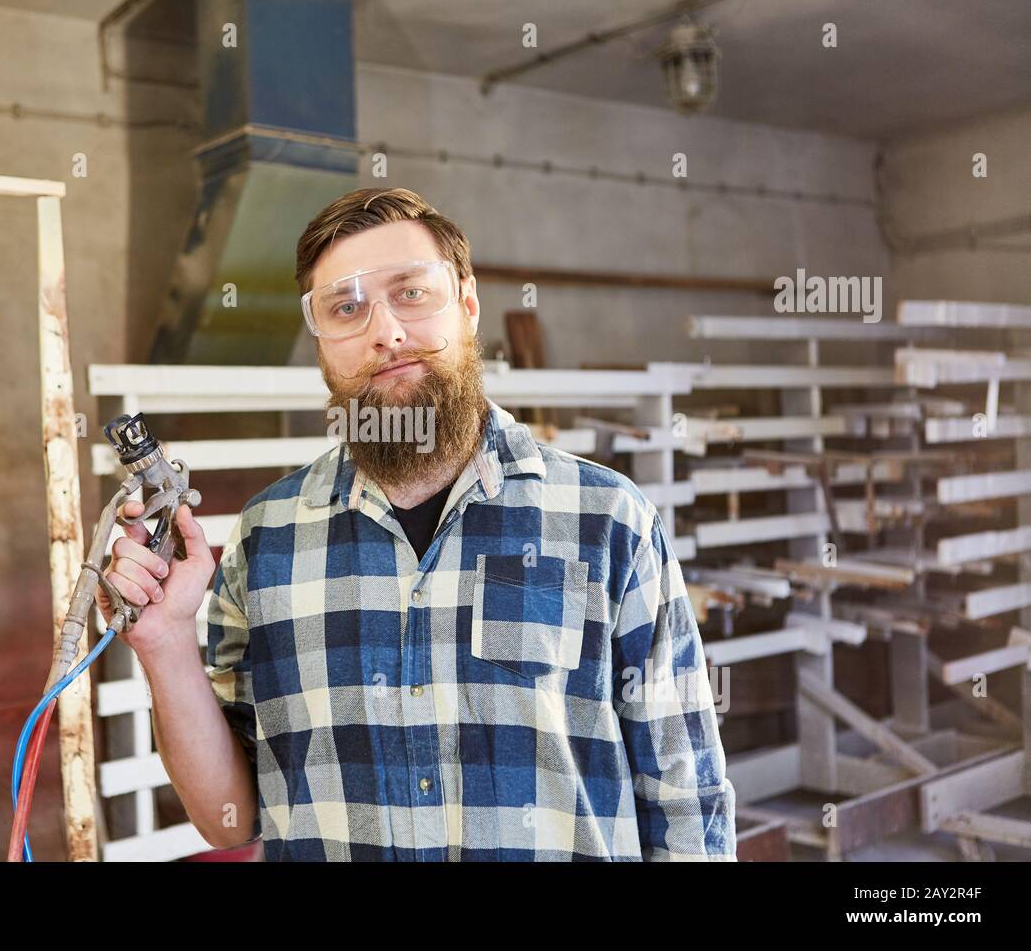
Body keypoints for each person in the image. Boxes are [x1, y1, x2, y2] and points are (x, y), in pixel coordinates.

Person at [95, 187, 736, 861]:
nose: (386, 332)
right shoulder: (267, 539)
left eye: (411, 292)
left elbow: (687, 804)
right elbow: (229, 822)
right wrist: (165, 643)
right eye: (346, 308)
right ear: (321, 343)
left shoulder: (606, 520)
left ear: (467, 304)